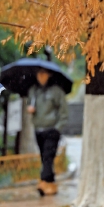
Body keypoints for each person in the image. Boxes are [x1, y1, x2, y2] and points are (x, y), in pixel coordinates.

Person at [27, 68, 69, 196]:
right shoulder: (33, 91)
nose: (40, 76)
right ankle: (51, 185)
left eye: (43, 73)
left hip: (52, 129)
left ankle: (43, 182)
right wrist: (30, 109)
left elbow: (64, 111)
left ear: (49, 75)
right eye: (38, 73)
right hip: (38, 128)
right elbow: (30, 104)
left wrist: (58, 128)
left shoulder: (56, 91)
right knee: (44, 158)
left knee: (48, 156)